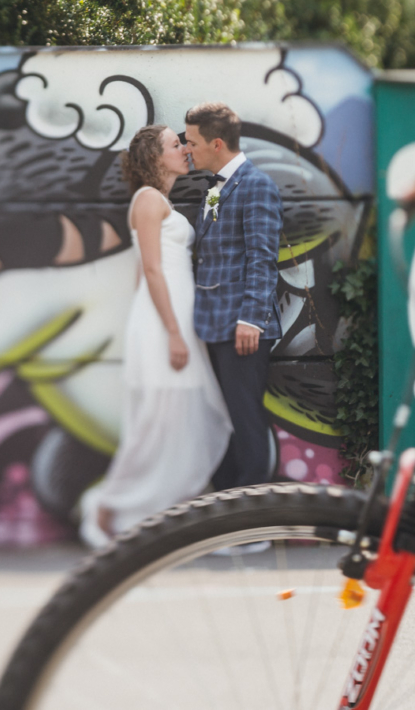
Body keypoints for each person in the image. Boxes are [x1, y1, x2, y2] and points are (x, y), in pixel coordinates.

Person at [79, 126, 231, 549]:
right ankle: (105, 508)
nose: (183, 149)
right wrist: (170, 333)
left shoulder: (160, 201)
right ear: (154, 157)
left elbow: (142, 271)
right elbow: (150, 270)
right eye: (174, 145)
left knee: (184, 421)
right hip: (165, 326)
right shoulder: (148, 200)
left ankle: (174, 513)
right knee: (154, 426)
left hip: (171, 322)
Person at [182, 102, 284, 490]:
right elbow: (208, 246)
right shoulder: (213, 188)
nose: (187, 148)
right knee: (224, 420)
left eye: (191, 141)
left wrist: (251, 319)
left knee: (245, 419)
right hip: (213, 323)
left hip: (242, 326)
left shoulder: (257, 186)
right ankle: (224, 505)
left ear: (217, 142)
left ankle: (252, 520)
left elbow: (262, 258)